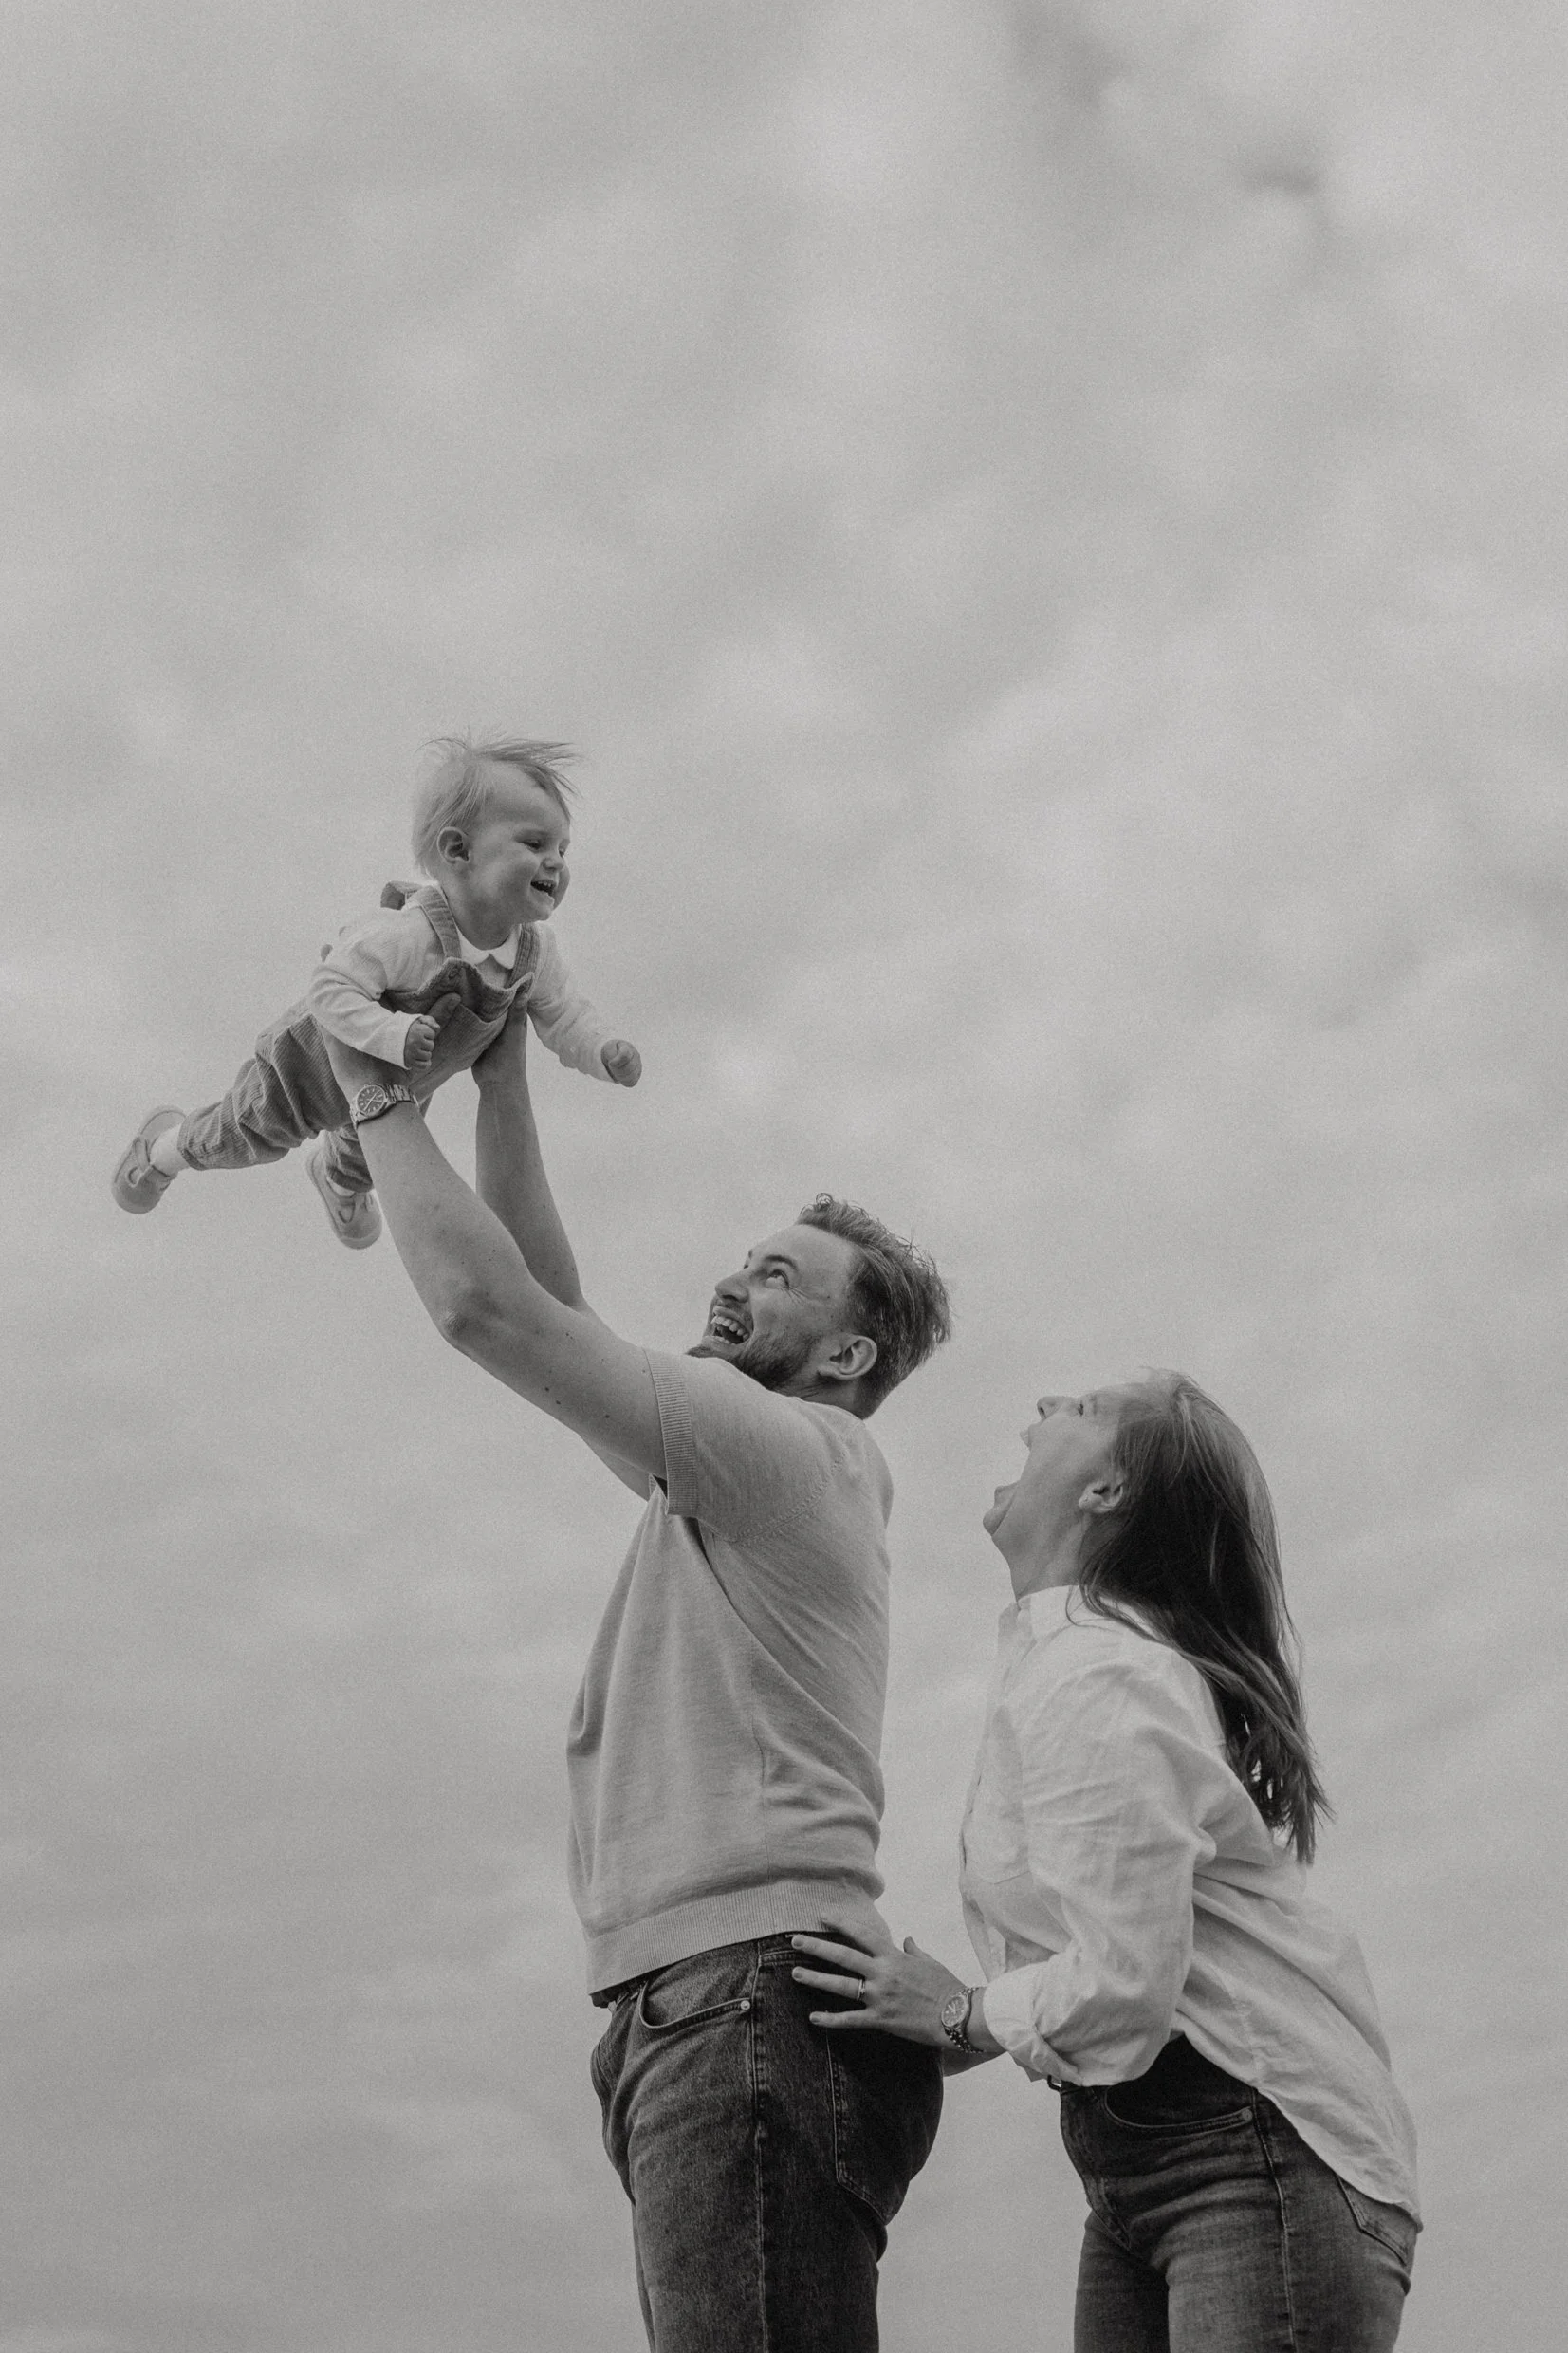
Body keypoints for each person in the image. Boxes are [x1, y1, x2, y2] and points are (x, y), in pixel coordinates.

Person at [311, 1005, 953, 2352]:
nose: (734, 1281)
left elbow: (488, 1310)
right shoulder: (735, 1476)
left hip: (746, 1999)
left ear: (846, 1356)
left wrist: (370, 1085)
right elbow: (551, 1303)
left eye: (777, 1276)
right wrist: (499, 1073)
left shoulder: (792, 1454)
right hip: (714, 2003)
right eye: (744, 1259)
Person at [792, 1374, 1420, 2352]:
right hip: (1155, 2160)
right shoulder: (1072, 1663)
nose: (1044, 1404)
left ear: (1105, 1491)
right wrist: (973, 2021)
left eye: (1081, 1410)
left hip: (1252, 2150)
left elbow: (1124, 1982)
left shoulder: (1099, 1673)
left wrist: (963, 2013)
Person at [110, 735, 639, 1248]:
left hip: (398, 1086)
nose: (557, 863)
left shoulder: (534, 953)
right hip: (305, 1072)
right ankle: (162, 1149)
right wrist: (392, 1032)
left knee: (370, 1159)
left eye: (563, 849)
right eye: (535, 844)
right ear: (458, 850)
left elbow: (563, 1014)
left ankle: (336, 1182)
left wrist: (601, 1050)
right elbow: (330, 987)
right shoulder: (408, 934)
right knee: (238, 1135)